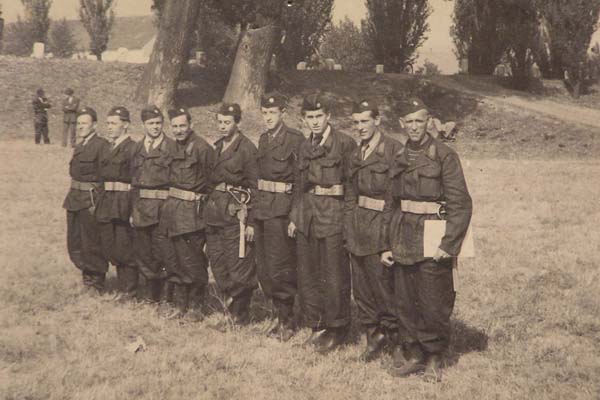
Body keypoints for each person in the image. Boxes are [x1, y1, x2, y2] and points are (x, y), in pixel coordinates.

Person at [381, 98, 472, 382]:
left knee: (433, 299)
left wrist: (449, 244)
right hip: (402, 233)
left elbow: (461, 203)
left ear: (429, 121)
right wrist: (385, 244)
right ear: (401, 124)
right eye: (409, 122)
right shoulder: (398, 156)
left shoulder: (444, 155)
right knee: (405, 299)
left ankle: (434, 356)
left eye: (419, 121)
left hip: (433, 234)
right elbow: (390, 203)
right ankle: (414, 354)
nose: (414, 127)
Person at [288, 93, 356, 354]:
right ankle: (316, 324)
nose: (314, 121)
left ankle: (337, 328)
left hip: (333, 216)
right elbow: (299, 185)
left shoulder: (344, 144)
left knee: (334, 275)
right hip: (307, 215)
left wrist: (348, 222)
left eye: (319, 116)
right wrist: (295, 216)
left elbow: (352, 187)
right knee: (309, 274)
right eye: (309, 117)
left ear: (328, 116)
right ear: (304, 119)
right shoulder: (305, 146)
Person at [346, 98, 403, 362]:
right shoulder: (356, 153)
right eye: (356, 122)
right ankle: (373, 336)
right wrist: (348, 226)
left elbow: (395, 199)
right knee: (362, 289)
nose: (360, 127)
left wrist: (387, 240)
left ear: (377, 121)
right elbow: (350, 194)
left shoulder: (393, 150)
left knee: (384, 289)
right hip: (358, 228)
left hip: (381, 228)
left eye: (365, 121)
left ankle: (397, 342)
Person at [255, 93, 304, 341]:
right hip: (263, 209)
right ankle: (277, 314)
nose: (268, 117)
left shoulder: (295, 139)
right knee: (264, 267)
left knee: (279, 267)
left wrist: (295, 216)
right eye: (265, 113)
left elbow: (300, 181)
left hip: (282, 211)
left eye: (272, 113)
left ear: (282, 113)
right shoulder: (263, 139)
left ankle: (288, 320)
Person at [204, 103, 258, 327]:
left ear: (238, 122)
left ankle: (239, 313)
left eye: (227, 122)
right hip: (214, 214)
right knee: (218, 262)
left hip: (236, 215)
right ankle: (229, 303)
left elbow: (255, 186)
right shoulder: (216, 147)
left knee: (238, 265)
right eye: (220, 122)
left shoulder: (246, 149)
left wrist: (252, 222)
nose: (222, 126)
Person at [160, 107, 215, 319]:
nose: (179, 130)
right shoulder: (171, 147)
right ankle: (180, 304)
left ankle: (196, 307)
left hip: (192, 214)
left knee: (192, 261)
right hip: (172, 212)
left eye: (182, 125)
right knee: (174, 260)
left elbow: (212, 183)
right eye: (174, 126)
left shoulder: (202, 148)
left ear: (191, 125)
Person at [130, 106, 176, 304]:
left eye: (158, 123)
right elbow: (133, 182)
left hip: (162, 209)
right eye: (151, 123)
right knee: (145, 253)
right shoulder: (137, 148)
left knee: (164, 252)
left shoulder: (172, 147)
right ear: (144, 125)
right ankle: (152, 295)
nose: (155, 127)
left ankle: (167, 297)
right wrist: (132, 210)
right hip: (141, 209)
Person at [63, 107, 109, 293]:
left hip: (90, 201)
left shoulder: (101, 145)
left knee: (91, 242)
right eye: (79, 123)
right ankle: (87, 277)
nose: (81, 127)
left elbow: (105, 176)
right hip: (74, 199)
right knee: (75, 241)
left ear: (94, 125)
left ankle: (96, 282)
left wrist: (99, 202)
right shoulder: (80, 145)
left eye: (85, 123)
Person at [95, 106, 138, 301]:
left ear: (125, 125)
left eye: (114, 123)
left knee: (124, 247)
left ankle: (130, 290)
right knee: (110, 245)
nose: (109, 127)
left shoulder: (132, 148)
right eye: (108, 123)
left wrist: (133, 209)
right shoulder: (107, 148)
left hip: (123, 204)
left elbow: (136, 180)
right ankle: (123, 287)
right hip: (107, 202)